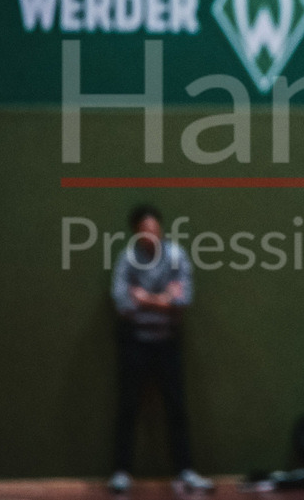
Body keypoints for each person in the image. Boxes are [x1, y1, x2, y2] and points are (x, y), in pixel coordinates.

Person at [108, 205, 212, 494]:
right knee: (128, 407)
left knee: (176, 408)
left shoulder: (176, 256)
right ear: (136, 233)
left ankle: (185, 472)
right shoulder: (127, 260)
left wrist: (146, 299)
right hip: (136, 343)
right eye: (145, 231)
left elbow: (183, 300)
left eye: (156, 230)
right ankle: (121, 472)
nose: (152, 236)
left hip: (168, 342)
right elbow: (122, 303)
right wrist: (164, 299)